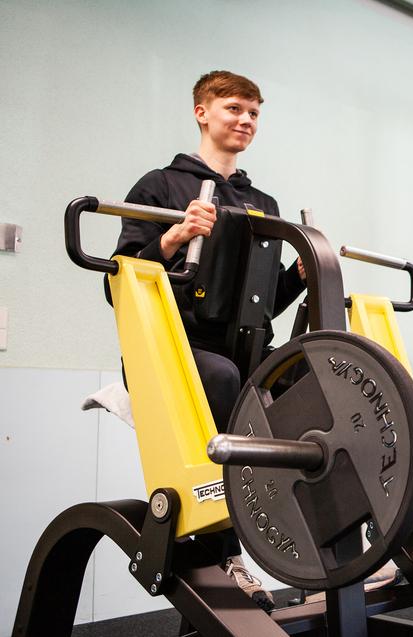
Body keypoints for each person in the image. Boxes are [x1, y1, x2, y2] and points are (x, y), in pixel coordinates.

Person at [110, 70, 307, 611]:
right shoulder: (161, 186)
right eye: (234, 109)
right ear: (202, 111)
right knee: (223, 378)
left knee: (312, 375)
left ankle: (335, 542)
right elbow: (121, 285)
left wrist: (297, 278)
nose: (245, 120)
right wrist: (174, 235)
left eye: (254, 113)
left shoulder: (261, 201)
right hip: (173, 353)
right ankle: (226, 553)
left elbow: (266, 305)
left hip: (243, 349)